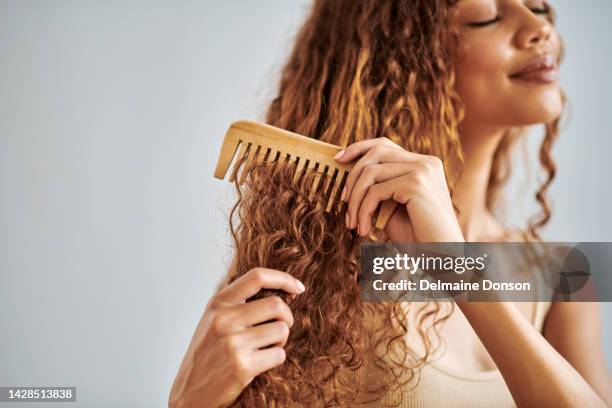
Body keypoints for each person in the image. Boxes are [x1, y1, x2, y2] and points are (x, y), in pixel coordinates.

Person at [169, 0, 612, 406]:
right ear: (404, 58)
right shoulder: (314, 263)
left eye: (539, 7)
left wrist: (457, 268)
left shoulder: (566, 276)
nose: (540, 27)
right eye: (487, 16)